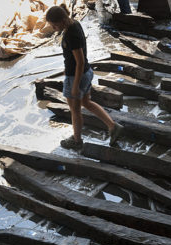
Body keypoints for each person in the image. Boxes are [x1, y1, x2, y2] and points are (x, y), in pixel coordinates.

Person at [46, 4, 123, 150]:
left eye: (54, 25)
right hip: (86, 73)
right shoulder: (74, 24)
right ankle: (113, 126)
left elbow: (79, 61)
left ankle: (76, 140)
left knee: (75, 110)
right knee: (87, 103)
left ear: (62, 20)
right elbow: (74, 58)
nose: (53, 28)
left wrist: (75, 86)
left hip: (77, 76)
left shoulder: (70, 35)